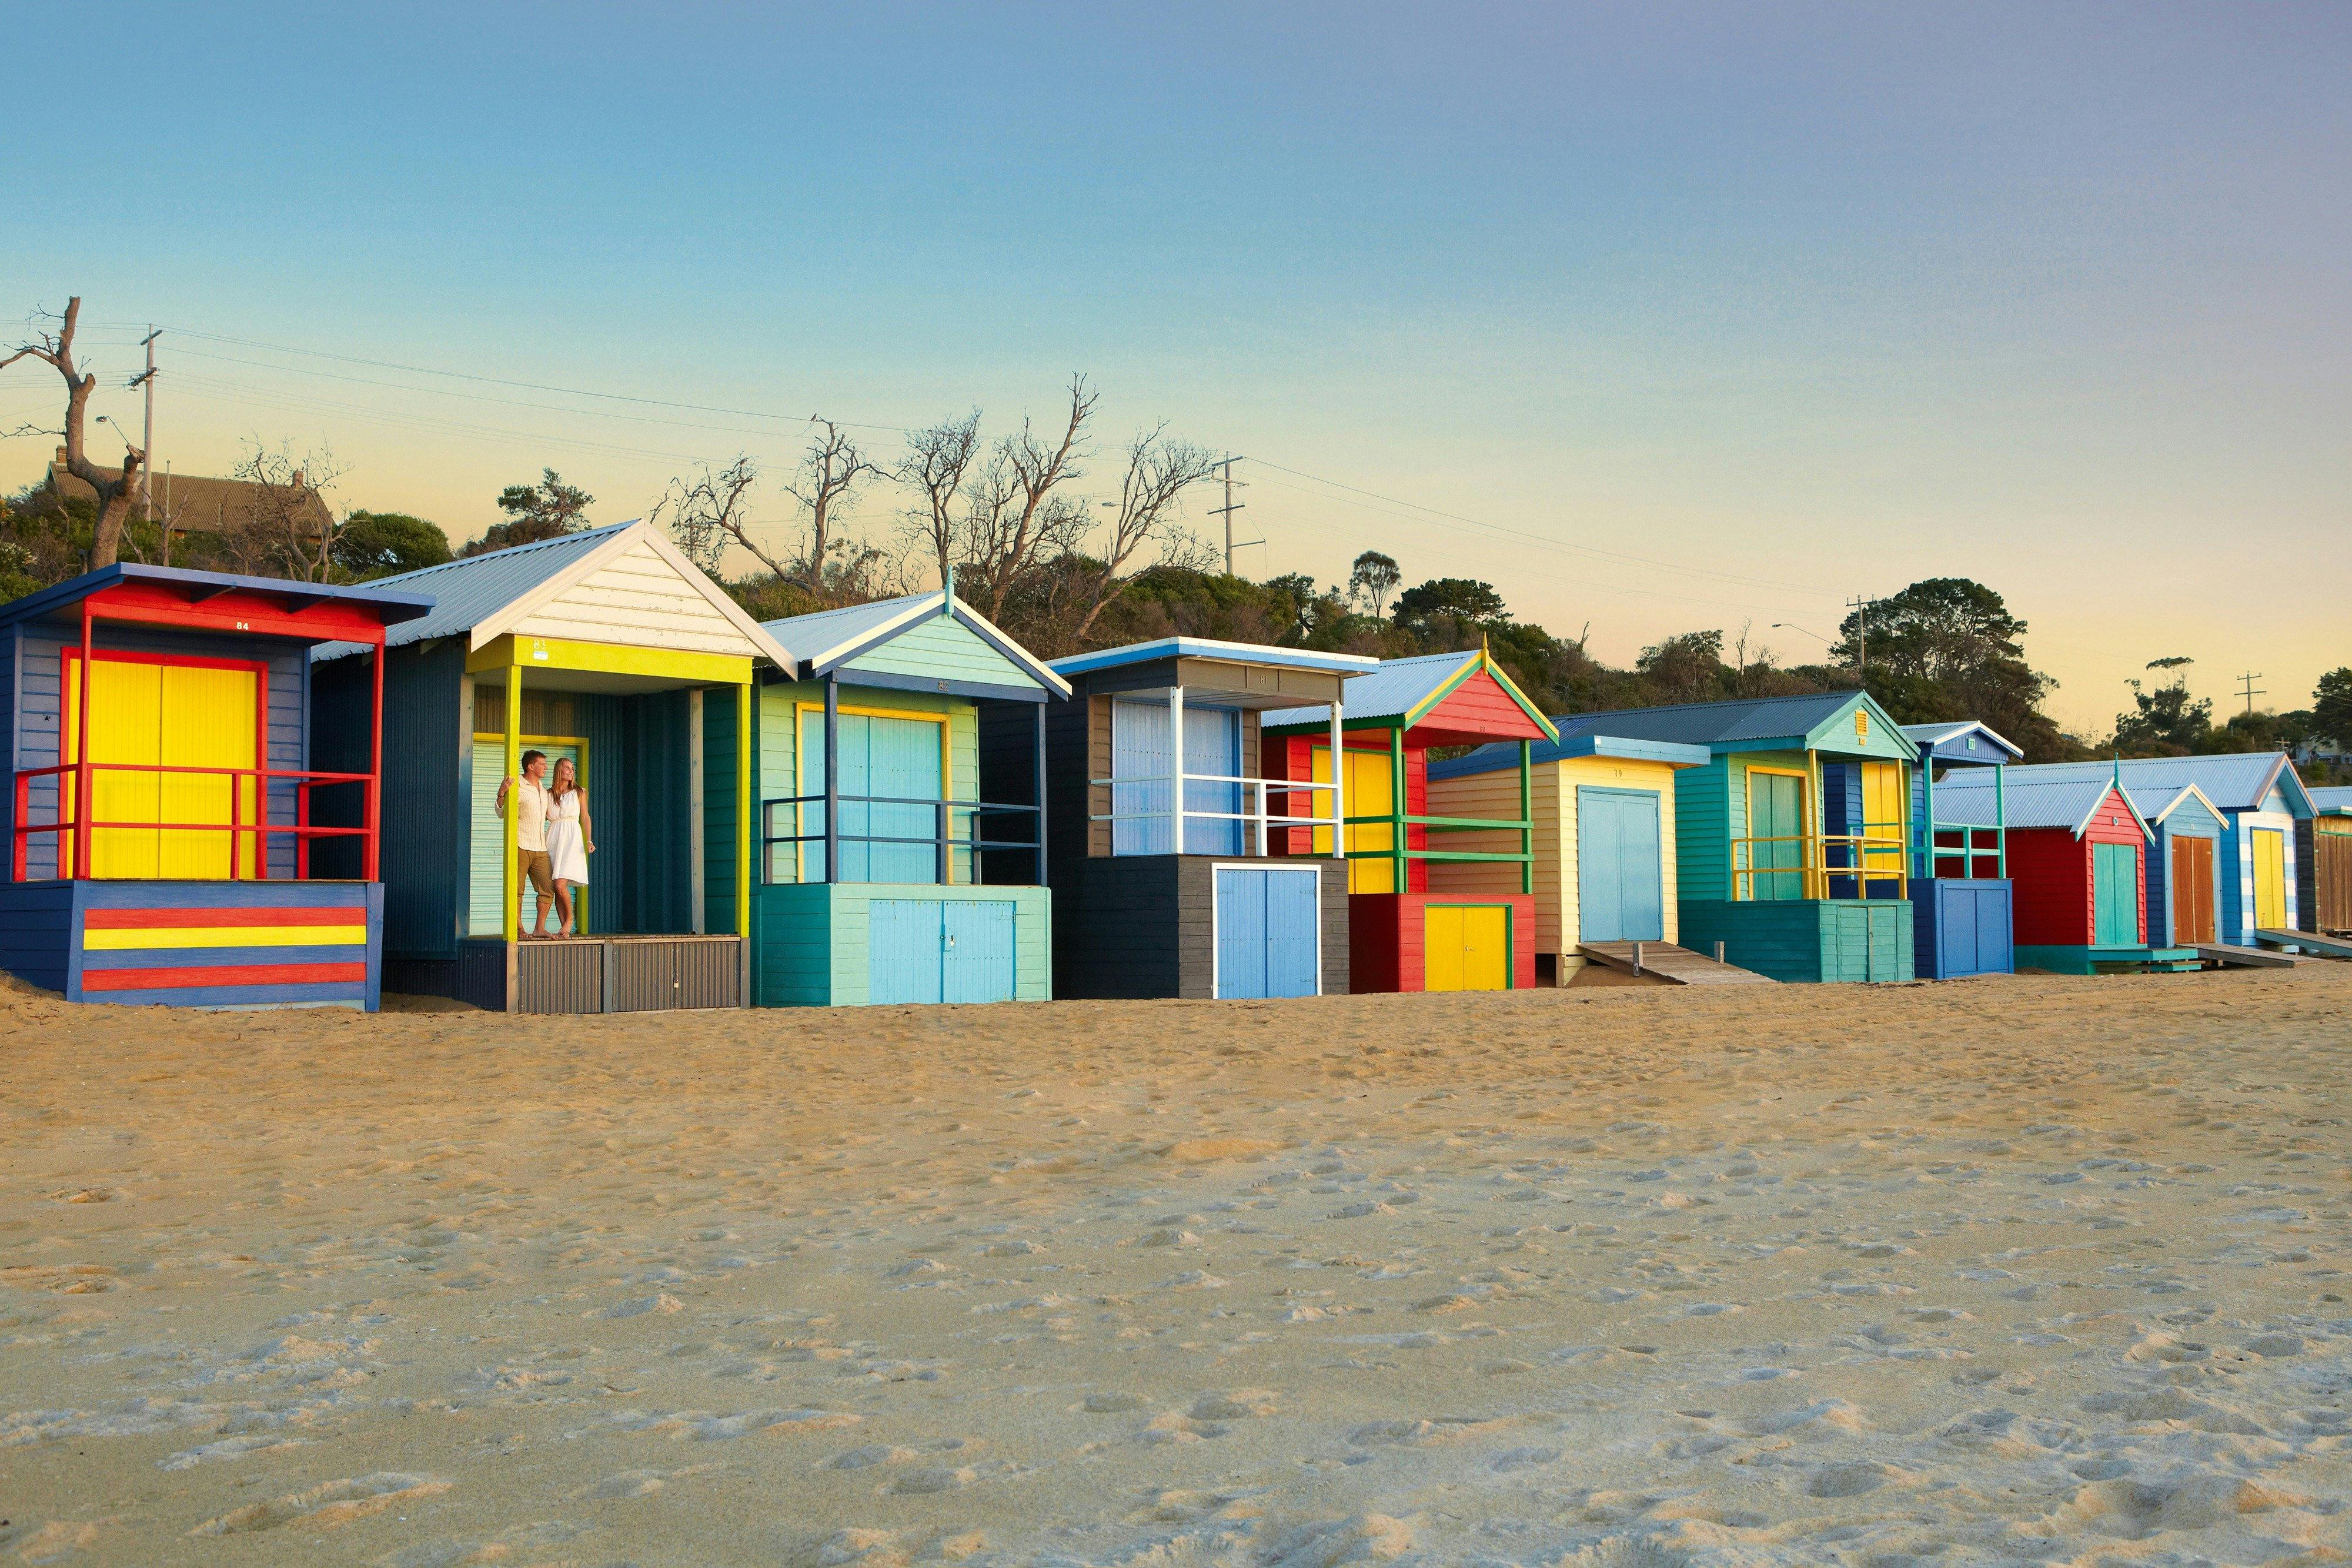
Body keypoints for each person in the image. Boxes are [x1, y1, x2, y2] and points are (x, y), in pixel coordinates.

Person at [495, 748, 555, 939]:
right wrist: (502, 793)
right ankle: (519, 929)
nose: (546, 767)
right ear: (531, 766)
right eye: (542, 764)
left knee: (548, 888)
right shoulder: (517, 786)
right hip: (521, 844)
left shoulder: (544, 791)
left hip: (540, 847)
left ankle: (540, 928)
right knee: (517, 889)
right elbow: (501, 813)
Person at [543, 755, 594, 938]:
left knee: (560, 883)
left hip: (572, 837)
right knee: (555, 885)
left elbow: (585, 817)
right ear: (559, 771)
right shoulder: (548, 794)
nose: (571, 771)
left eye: (572, 768)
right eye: (567, 768)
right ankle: (564, 928)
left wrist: (589, 840)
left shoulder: (580, 792)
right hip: (554, 838)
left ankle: (570, 920)